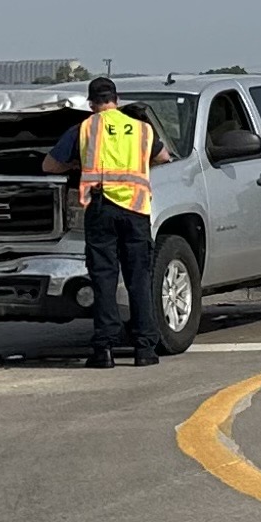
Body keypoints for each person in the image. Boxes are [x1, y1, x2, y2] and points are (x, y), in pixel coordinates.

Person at [41, 77, 173, 368]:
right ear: (117, 99)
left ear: (91, 103)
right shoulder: (142, 130)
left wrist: (77, 164)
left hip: (101, 208)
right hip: (136, 210)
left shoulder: (85, 128)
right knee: (139, 278)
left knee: (104, 279)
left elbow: (49, 165)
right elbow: (164, 156)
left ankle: (105, 350)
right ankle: (144, 349)